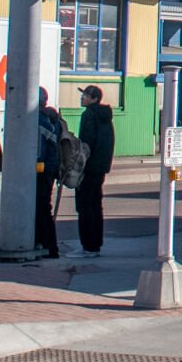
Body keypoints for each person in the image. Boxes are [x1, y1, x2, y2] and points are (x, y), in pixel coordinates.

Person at [74, 85, 115, 256]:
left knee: (84, 207)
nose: (82, 98)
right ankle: (95, 245)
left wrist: (79, 166)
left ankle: (88, 246)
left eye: (86, 95)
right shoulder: (106, 117)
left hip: (89, 168)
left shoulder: (89, 115)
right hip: (100, 168)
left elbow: (86, 143)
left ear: (94, 98)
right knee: (96, 205)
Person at [34, 88, 63, 260]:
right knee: (44, 207)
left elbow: (39, 149)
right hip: (49, 169)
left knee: (41, 208)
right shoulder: (53, 119)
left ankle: (49, 247)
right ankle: (46, 245)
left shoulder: (38, 120)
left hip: (41, 170)